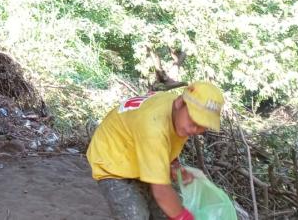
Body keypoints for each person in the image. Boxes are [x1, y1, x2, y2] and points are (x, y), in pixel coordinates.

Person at [86, 81, 224, 220]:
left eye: (202, 126)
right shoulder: (154, 128)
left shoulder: (178, 116)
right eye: (193, 121)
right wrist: (184, 217)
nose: (194, 130)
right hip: (111, 159)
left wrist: (172, 164)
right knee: (136, 216)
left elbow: (165, 144)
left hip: (136, 153)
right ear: (180, 102)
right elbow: (161, 191)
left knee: (166, 210)